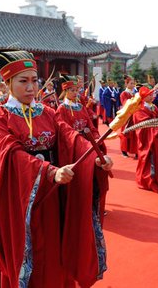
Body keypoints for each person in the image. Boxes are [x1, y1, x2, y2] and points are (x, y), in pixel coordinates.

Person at [0, 50, 112, 288]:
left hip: (53, 197)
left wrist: (94, 158)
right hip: (22, 201)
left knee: (54, 248)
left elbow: (69, 136)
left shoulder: (48, 113)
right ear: (8, 83)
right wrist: (49, 172)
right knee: (31, 254)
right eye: (23, 81)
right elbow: (10, 156)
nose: (31, 87)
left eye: (34, 80)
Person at [55, 74, 110, 217]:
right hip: (73, 148)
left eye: (76, 90)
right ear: (65, 91)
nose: (75, 93)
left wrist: (97, 138)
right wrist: (80, 141)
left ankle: (94, 204)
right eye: (72, 90)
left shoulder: (80, 107)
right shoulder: (61, 109)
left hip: (88, 146)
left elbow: (90, 126)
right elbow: (64, 131)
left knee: (94, 176)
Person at [119, 75, 138, 158]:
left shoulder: (135, 93)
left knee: (135, 134)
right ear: (126, 84)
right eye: (131, 83)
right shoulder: (124, 93)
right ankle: (124, 151)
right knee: (126, 133)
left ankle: (135, 150)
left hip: (135, 116)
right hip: (127, 116)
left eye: (133, 83)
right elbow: (125, 103)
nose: (133, 85)